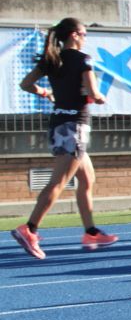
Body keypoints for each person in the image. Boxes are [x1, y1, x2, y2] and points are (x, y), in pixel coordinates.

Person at [11, 18, 117, 259]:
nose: (86, 38)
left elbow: (25, 84)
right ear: (74, 35)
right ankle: (30, 229)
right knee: (58, 182)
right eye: (84, 33)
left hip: (59, 125)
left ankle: (90, 231)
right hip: (74, 127)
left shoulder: (53, 60)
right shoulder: (83, 60)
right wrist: (100, 97)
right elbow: (92, 92)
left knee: (87, 179)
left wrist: (45, 92)